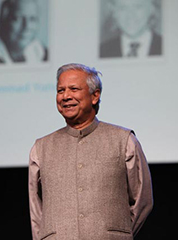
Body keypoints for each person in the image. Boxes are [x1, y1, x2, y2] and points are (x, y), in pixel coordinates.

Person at [28, 63, 153, 240]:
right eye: (60, 90)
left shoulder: (123, 140)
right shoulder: (41, 148)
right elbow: (36, 210)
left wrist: (117, 233)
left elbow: (143, 200)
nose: (65, 96)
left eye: (73, 89)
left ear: (95, 96)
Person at [0, 0, 48, 64]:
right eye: (18, 18)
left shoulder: (43, 54)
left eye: (32, 19)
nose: (27, 26)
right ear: (4, 21)